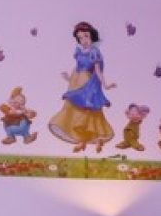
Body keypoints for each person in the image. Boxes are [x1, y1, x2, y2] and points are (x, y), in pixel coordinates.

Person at [48, 21, 117, 152]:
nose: (83, 40)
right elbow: (77, 67)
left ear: (92, 36)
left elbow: (98, 71)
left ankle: (96, 139)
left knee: (87, 113)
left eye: (86, 36)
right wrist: (69, 78)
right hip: (76, 82)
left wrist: (106, 85)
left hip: (88, 84)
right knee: (74, 111)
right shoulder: (79, 51)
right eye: (80, 38)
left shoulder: (94, 52)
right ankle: (81, 140)